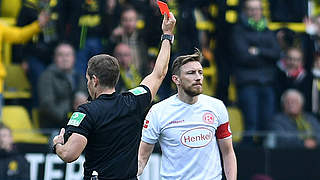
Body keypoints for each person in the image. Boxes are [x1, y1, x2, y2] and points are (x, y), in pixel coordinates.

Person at [52, 13, 176, 180]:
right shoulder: (134, 101)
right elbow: (159, 73)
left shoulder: (86, 112)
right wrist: (167, 34)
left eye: (88, 79)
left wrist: (58, 144)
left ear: (94, 80)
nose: (88, 83)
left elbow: (69, 155)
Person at [138, 49, 237, 180]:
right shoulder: (158, 112)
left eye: (200, 72)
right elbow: (142, 158)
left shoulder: (216, 107)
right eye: (191, 73)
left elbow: (228, 152)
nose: (198, 77)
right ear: (176, 80)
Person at [230, 0, 280, 145]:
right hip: (248, 84)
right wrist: (266, 55)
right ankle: (249, 160)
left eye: (257, 9)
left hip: (268, 83)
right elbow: (243, 56)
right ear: (245, 11)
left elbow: (276, 54)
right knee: (251, 124)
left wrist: (257, 51)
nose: (254, 12)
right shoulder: (238, 30)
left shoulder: (268, 30)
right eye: (251, 9)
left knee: (267, 124)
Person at [38, 43, 87, 129]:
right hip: (54, 126)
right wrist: (68, 118)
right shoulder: (46, 76)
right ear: (54, 58)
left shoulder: (80, 77)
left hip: (76, 124)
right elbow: (47, 105)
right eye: (60, 55)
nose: (65, 59)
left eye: (68, 55)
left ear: (74, 58)